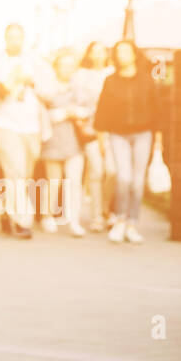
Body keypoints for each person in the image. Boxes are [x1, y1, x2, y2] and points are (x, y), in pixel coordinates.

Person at [93, 39, 162, 244]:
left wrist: (159, 142)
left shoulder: (147, 81)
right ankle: (120, 219)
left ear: (134, 54)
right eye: (119, 51)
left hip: (143, 134)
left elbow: (157, 113)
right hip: (118, 134)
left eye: (126, 51)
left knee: (138, 181)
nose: (122, 55)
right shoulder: (110, 81)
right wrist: (101, 140)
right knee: (123, 178)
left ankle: (132, 223)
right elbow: (102, 112)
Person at [0, 23, 50, 239]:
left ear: (23, 39)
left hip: (31, 125)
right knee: (15, 171)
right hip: (4, 123)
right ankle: (23, 221)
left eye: (18, 37)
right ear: (5, 39)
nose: (14, 41)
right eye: (10, 37)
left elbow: (49, 91)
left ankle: (7, 209)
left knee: (24, 174)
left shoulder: (35, 61)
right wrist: (6, 85)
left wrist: (31, 82)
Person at [40, 48, 87, 237]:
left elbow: (88, 111)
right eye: (63, 65)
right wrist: (65, 112)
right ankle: (47, 215)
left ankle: (74, 220)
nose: (67, 69)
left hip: (75, 141)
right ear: (56, 67)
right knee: (54, 181)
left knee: (74, 181)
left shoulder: (79, 89)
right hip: (53, 140)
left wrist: (73, 112)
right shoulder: (47, 89)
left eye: (71, 66)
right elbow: (43, 114)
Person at [74, 41, 112, 232]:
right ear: (88, 54)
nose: (97, 55)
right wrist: (81, 124)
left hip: (113, 130)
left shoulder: (112, 73)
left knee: (112, 172)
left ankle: (107, 210)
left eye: (101, 51)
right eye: (94, 52)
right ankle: (97, 216)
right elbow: (77, 102)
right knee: (96, 171)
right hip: (90, 129)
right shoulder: (81, 76)